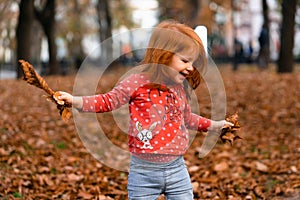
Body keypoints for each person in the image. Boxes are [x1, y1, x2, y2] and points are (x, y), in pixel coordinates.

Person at [56, 20, 233, 200]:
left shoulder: (178, 89)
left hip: (177, 169)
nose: (190, 68)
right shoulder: (136, 82)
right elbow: (108, 101)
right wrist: (75, 101)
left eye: (193, 63)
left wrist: (215, 125)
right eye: (185, 60)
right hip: (143, 172)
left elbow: (187, 118)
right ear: (163, 55)